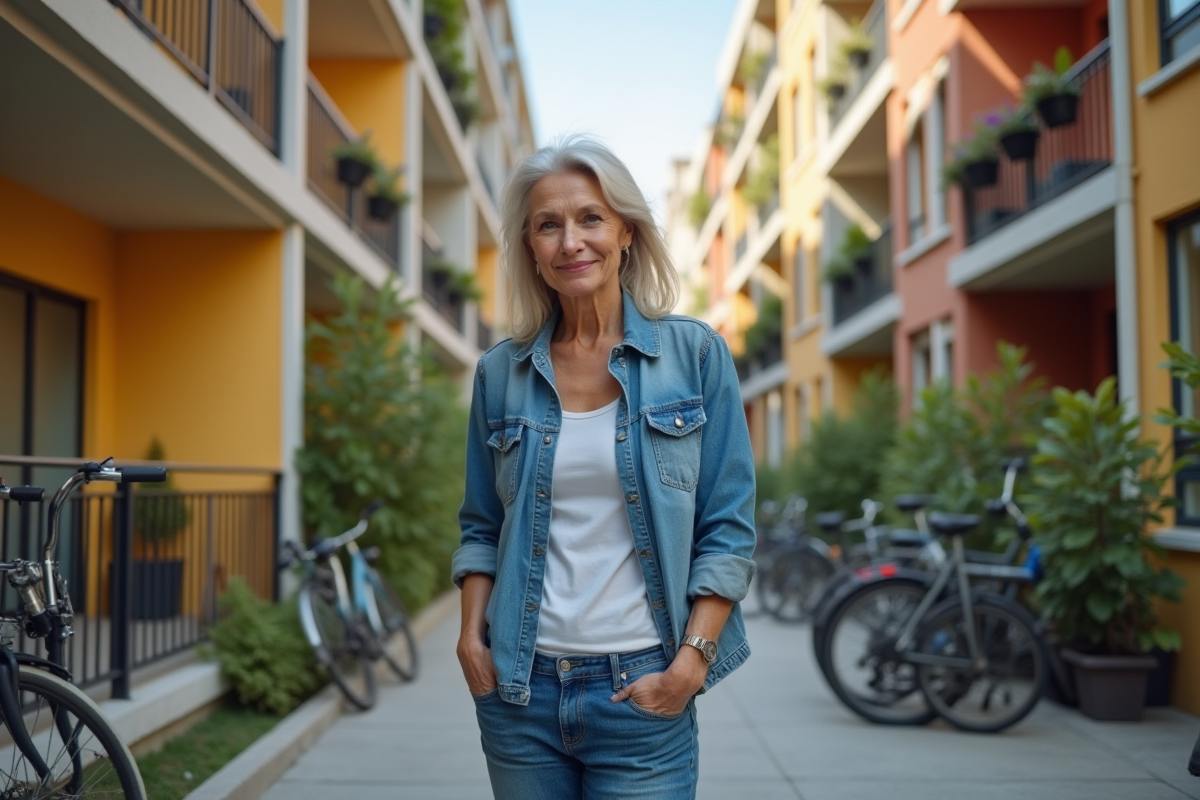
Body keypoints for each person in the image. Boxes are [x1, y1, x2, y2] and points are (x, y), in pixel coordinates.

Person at [452, 135, 756, 800]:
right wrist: (470, 639)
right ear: (530, 248)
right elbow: (480, 524)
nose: (571, 242)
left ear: (625, 231)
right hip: (518, 689)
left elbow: (728, 528)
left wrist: (689, 664)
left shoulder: (694, 356)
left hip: (644, 690)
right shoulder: (500, 373)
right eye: (548, 225)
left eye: (590, 218)